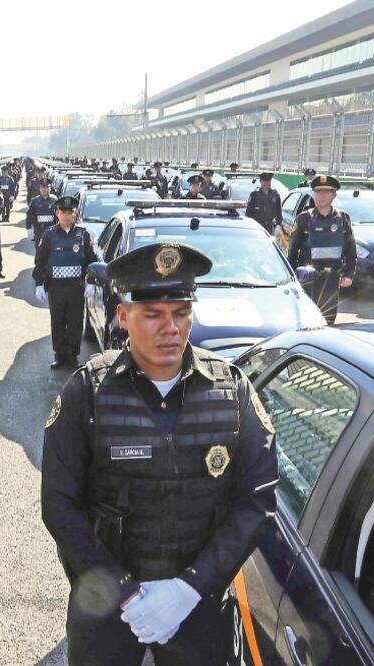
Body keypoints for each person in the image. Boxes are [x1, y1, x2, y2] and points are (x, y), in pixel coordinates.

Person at [41, 242, 278, 666]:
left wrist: (187, 589)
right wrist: (124, 591)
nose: (171, 327)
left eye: (182, 312)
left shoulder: (233, 390)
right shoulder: (87, 392)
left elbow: (256, 501)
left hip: (199, 605)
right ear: (123, 316)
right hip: (107, 608)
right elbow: (60, 504)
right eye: (153, 315)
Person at [33, 195, 98, 368]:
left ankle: (72, 355)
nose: (67, 215)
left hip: (76, 288)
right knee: (58, 321)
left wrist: (91, 281)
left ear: (75, 213)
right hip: (56, 288)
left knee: (75, 322)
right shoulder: (49, 235)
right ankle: (60, 354)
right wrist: (38, 283)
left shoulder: (83, 235)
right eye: (63, 212)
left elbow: (93, 260)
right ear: (57, 213)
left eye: (70, 212)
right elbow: (40, 260)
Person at [287, 175, 356, 324]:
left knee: (329, 320)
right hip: (308, 278)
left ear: (334, 195)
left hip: (332, 278)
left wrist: (349, 274)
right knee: (307, 320)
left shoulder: (343, 218)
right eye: (318, 192)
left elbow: (351, 250)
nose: (321, 196)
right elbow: (292, 252)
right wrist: (292, 279)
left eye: (325, 193)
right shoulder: (303, 218)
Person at [26, 178, 58, 248]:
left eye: (47, 187)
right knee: (39, 255)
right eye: (43, 187)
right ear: (40, 188)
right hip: (39, 233)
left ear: (50, 188)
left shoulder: (55, 200)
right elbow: (29, 215)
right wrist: (29, 228)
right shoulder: (35, 201)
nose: (45, 189)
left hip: (52, 234)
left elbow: (59, 216)